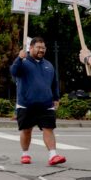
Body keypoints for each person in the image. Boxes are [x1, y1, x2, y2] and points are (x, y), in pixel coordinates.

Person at [10, 37, 66, 166]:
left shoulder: (48, 65)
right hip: (26, 104)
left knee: (49, 128)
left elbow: (54, 82)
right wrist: (19, 58)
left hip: (46, 104)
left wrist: (56, 98)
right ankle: (25, 154)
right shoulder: (23, 62)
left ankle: (53, 155)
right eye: (38, 47)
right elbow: (13, 71)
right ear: (31, 48)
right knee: (26, 130)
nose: (41, 50)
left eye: (43, 48)